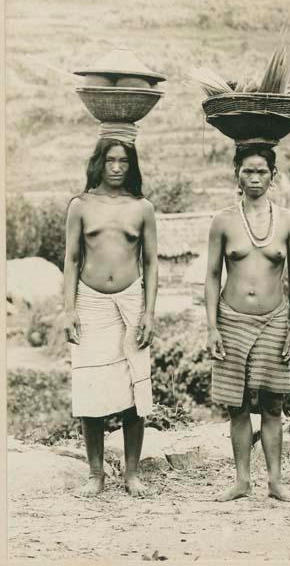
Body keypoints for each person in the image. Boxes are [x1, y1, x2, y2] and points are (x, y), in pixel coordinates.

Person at [205, 144, 290, 502]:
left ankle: (276, 481)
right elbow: (212, 274)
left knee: (273, 404)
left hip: (274, 319)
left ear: (273, 176)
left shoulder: (289, 221)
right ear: (237, 175)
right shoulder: (223, 221)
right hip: (231, 318)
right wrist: (212, 326)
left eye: (262, 171)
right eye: (248, 171)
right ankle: (242, 480)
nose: (255, 177)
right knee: (237, 404)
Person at [64, 134, 158, 497]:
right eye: (111, 161)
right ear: (99, 163)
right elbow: (71, 260)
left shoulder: (142, 208)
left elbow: (150, 262)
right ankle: (95, 473)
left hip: (131, 302)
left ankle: (132, 474)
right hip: (89, 303)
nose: (117, 168)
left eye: (124, 162)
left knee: (136, 387)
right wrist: (69, 309)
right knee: (92, 388)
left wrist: (149, 312)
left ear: (131, 166)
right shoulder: (81, 205)